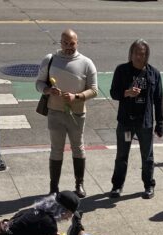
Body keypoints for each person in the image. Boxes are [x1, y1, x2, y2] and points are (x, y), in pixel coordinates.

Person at [36, 29, 98, 198]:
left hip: (77, 114)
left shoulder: (86, 63)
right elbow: (38, 83)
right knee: (56, 149)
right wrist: (48, 90)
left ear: (77, 43)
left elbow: (94, 90)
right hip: (55, 112)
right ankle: (53, 187)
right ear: (60, 42)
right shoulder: (50, 60)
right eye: (65, 43)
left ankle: (79, 184)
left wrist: (76, 96)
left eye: (72, 43)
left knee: (78, 148)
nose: (69, 47)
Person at [109, 39, 163, 200]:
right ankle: (117, 186)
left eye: (143, 54)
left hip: (144, 124)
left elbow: (158, 100)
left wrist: (160, 123)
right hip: (126, 123)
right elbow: (114, 93)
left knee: (147, 157)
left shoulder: (154, 73)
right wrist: (127, 93)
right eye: (137, 53)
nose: (140, 57)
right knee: (122, 155)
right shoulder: (122, 70)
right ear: (131, 54)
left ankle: (149, 185)